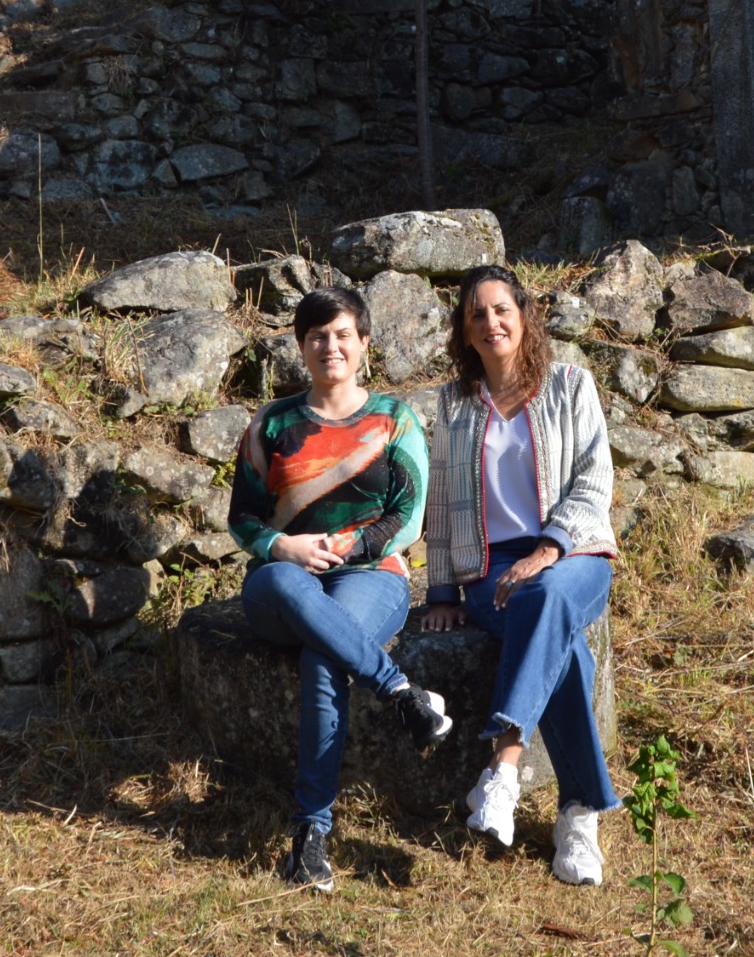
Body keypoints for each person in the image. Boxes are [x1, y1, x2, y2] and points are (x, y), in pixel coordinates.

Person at [231, 285, 455, 892]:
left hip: (370, 577)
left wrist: (348, 548)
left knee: (324, 659)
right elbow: (244, 518)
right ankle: (401, 690)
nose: (330, 346)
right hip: (281, 584)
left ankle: (311, 835)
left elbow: (408, 516)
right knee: (281, 581)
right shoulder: (273, 422)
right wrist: (286, 547)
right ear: (301, 345)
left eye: (342, 335)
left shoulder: (394, 418)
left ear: (363, 344)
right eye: (316, 336)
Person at [421, 263, 620, 887]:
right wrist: (442, 591)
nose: (490, 322)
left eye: (501, 309)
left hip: (576, 553)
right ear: (465, 330)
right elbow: (443, 499)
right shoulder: (454, 405)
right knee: (564, 646)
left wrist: (551, 548)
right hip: (490, 567)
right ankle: (579, 815)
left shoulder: (568, 384)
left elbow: (593, 482)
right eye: (476, 314)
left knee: (551, 594)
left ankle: (503, 767)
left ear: (524, 315)